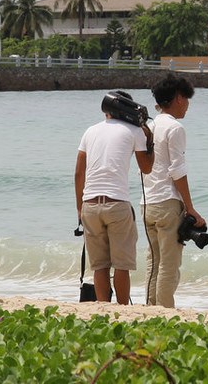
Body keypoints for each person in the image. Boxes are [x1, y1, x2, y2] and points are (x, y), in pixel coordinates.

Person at [75, 90, 155, 304]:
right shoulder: (135, 131)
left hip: (90, 204)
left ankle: (103, 307)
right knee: (122, 265)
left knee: (99, 265)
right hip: (117, 204)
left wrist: (79, 208)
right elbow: (146, 168)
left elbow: (78, 173)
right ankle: (122, 308)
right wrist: (150, 140)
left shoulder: (90, 131)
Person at [141, 74, 206, 308]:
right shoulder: (175, 128)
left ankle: (151, 308)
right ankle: (165, 311)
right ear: (179, 98)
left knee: (153, 262)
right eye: (187, 99)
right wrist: (190, 208)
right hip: (167, 202)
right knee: (169, 264)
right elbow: (177, 170)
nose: (188, 105)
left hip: (147, 202)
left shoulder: (148, 127)